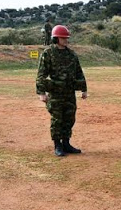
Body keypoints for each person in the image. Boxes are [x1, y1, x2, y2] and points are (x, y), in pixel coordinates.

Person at [36, 25, 88, 156]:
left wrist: (83, 89)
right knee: (57, 119)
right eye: (63, 38)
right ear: (55, 38)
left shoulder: (71, 54)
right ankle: (57, 145)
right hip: (56, 93)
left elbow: (78, 72)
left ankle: (66, 143)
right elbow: (41, 74)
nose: (65, 40)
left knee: (69, 118)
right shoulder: (48, 53)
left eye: (66, 38)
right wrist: (41, 93)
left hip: (69, 93)